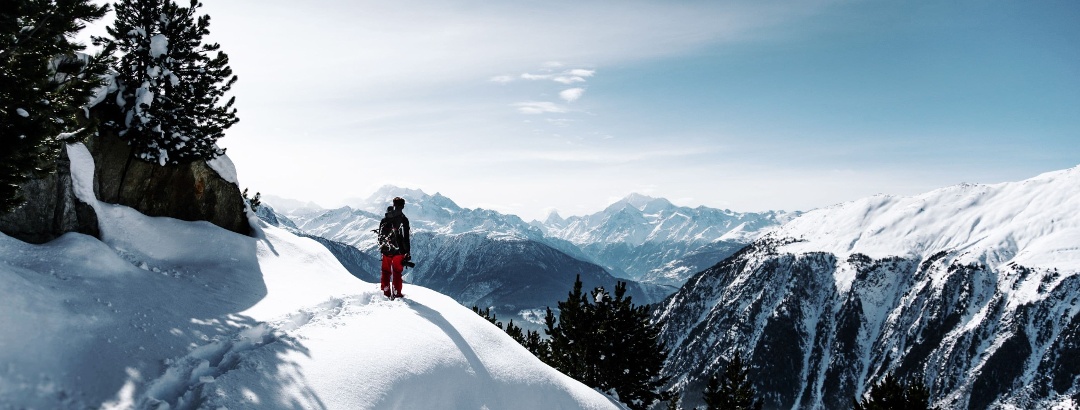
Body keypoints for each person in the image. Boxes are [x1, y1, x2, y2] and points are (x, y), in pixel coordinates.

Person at [378, 196, 410, 298]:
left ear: (393, 205)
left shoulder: (385, 219)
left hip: (386, 249)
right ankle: (396, 293)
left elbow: (380, 236)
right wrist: (407, 251)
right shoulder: (404, 220)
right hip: (399, 251)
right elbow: (406, 237)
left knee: (386, 271)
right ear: (403, 206)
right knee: (397, 272)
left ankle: (386, 292)